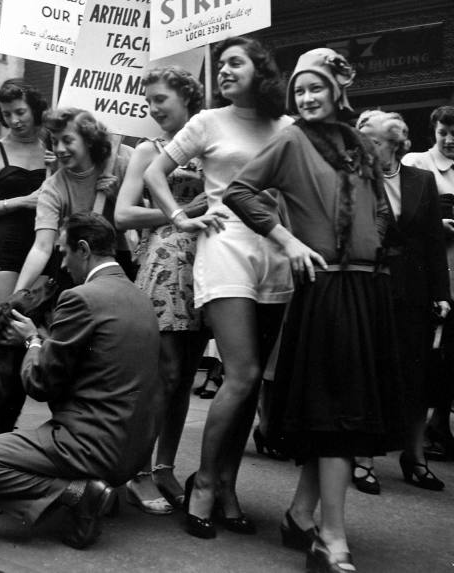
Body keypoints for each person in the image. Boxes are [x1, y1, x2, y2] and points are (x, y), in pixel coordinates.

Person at [223, 48, 404, 573]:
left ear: (337, 91)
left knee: (342, 415)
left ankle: (303, 516)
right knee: (338, 416)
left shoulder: (356, 144)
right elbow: (239, 191)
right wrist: (286, 239)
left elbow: (380, 219)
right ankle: (331, 538)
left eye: (316, 88)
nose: (306, 98)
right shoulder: (290, 138)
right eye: (299, 90)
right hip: (328, 290)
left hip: (368, 292)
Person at [144, 36, 293, 539]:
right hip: (224, 244)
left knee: (252, 381)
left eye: (236, 63)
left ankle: (228, 484)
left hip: (275, 254)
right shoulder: (207, 121)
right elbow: (154, 172)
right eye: (222, 64)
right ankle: (204, 481)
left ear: (261, 70)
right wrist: (179, 217)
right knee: (242, 370)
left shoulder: (287, 127)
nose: (225, 71)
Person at [0, 213, 161, 549]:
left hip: (91, 446)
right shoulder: (140, 296)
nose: (63, 262)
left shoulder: (81, 298)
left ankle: (77, 494)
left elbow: (40, 385)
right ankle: (90, 490)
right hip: (135, 450)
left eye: (64, 252)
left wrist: (32, 341)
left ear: (84, 249)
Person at [114, 66, 209, 514]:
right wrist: (177, 212)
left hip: (208, 264)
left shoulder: (209, 141)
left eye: (160, 99)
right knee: (164, 373)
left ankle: (165, 466)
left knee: (186, 375)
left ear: (187, 96)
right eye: (148, 101)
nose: (152, 109)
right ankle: (136, 470)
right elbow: (123, 214)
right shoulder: (146, 151)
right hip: (167, 262)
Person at [352, 111, 450, 494]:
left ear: (395, 143)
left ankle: (415, 457)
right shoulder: (354, 178)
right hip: (369, 286)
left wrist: (442, 294)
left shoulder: (421, 180)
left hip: (412, 289)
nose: (364, 147)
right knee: (371, 375)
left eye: (372, 140)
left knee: (415, 377)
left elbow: (432, 243)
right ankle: (363, 458)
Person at [14, 108, 133, 292]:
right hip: (72, 265)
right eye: (55, 142)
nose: (60, 149)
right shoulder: (53, 187)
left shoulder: (118, 167)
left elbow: (135, 224)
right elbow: (42, 247)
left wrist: (114, 197)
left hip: (114, 262)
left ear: (88, 141)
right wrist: (18, 293)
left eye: (67, 140)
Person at [0, 78, 53, 312]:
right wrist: (22, 201)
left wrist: (58, 169)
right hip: (4, 246)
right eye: (7, 115)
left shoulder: (53, 149)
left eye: (20, 112)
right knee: (2, 325)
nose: (14, 121)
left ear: (34, 109)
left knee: (37, 327)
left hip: (45, 245)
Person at [402, 105, 454, 461]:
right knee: (424, 352)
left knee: (451, 352)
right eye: (443, 133)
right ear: (433, 131)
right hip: (429, 267)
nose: (450, 140)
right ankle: (411, 436)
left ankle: (440, 424)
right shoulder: (417, 163)